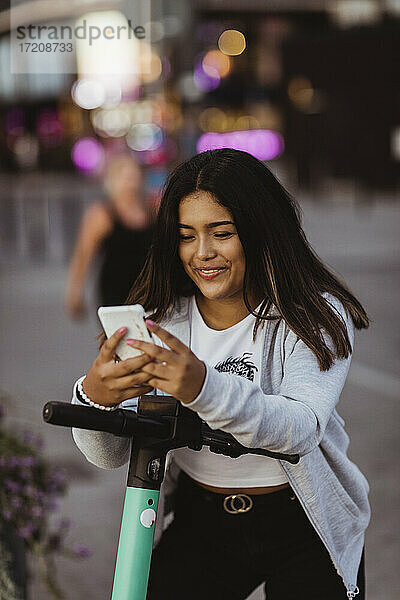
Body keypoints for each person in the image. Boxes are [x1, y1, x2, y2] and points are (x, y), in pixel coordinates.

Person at [71, 149, 370, 599]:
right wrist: (94, 399)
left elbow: (300, 429)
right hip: (202, 518)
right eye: (187, 235)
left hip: (306, 522)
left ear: (259, 230)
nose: (202, 253)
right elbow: (110, 454)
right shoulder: (162, 320)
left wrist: (202, 387)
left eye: (222, 233)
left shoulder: (312, 314)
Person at [64, 154, 155, 318]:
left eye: (135, 177)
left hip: (150, 291)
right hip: (115, 293)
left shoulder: (152, 210)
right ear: (113, 182)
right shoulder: (101, 215)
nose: (131, 183)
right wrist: (75, 291)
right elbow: (83, 255)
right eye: (125, 178)